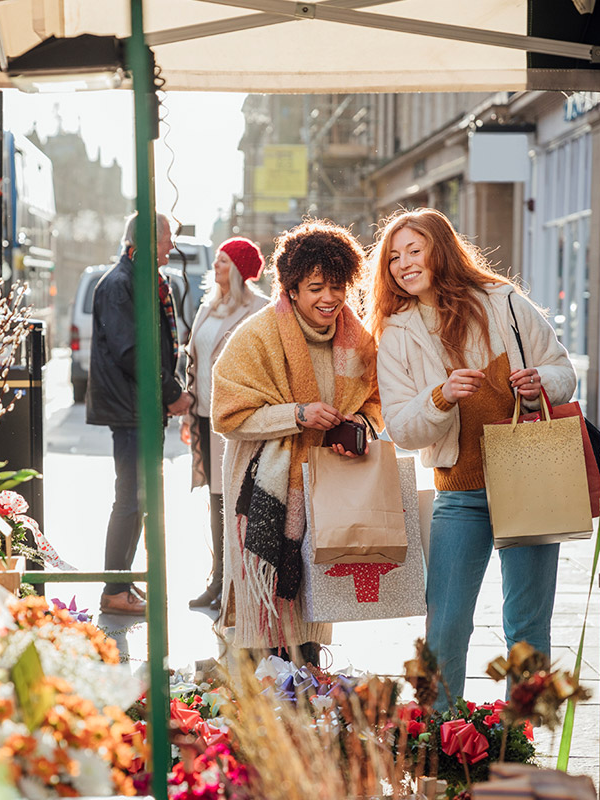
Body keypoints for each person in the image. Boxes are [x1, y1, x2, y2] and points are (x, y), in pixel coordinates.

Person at [370, 207, 576, 709]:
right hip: (459, 491)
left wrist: (538, 384)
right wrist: (440, 397)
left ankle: (520, 741)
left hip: (530, 477)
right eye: (393, 257)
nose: (402, 264)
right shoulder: (396, 332)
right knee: (444, 623)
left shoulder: (505, 302)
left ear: (441, 248)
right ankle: (440, 741)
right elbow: (400, 425)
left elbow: (561, 371)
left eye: (413, 250)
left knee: (527, 627)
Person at [211, 219, 382, 666]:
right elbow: (228, 415)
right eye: (316, 288)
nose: (329, 298)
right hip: (264, 490)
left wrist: (356, 428)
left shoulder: (359, 340)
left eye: (337, 286)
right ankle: (258, 716)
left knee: (310, 609)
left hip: (326, 489)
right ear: (290, 290)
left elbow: (375, 402)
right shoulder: (256, 334)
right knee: (265, 616)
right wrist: (298, 415)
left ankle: (306, 705)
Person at [86, 212, 191, 616]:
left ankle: (121, 586)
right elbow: (134, 351)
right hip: (132, 408)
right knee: (129, 500)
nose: (172, 247)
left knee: (137, 499)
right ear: (148, 241)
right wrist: (171, 392)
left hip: (139, 407)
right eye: (167, 239)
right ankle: (115, 589)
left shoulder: (142, 280)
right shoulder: (120, 283)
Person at [182, 237, 269, 612]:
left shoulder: (258, 309)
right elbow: (194, 360)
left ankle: (231, 583)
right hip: (203, 416)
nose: (214, 266)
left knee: (231, 501)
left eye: (221, 261)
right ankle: (217, 579)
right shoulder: (209, 306)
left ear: (237, 268)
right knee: (214, 500)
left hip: (233, 419)